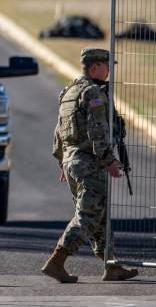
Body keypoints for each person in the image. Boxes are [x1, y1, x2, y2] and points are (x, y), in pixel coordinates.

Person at [41, 47, 138, 283]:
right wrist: (109, 161)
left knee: (100, 216)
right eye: (107, 66)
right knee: (87, 216)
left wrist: (61, 161)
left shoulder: (69, 91)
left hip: (72, 161)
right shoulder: (93, 92)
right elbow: (97, 131)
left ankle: (111, 265)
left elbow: (59, 131)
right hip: (89, 163)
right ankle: (57, 261)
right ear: (95, 67)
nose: (109, 70)